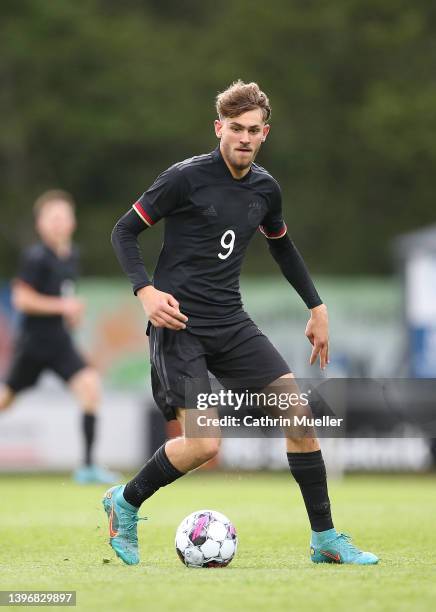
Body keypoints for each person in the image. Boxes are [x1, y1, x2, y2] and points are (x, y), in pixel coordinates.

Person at [105, 81, 378, 565]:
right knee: (205, 444)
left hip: (231, 322)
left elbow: (282, 246)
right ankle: (124, 502)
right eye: (235, 128)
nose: (244, 138)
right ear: (219, 128)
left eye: (253, 130)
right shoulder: (184, 178)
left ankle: (325, 540)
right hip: (179, 326)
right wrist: (145, 291)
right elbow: (124, 230)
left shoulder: (266, 189)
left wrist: (317, 307)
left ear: (264, 133)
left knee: (300, 419)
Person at [0, 190, 118, 484]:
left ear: (72, 222)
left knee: (90, 387)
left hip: (60, 341)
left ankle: (88, 467)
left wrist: (70, 313)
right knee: (6, 399)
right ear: (40, 224)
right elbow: (21, 299)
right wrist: (63, 306)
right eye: (52, 218)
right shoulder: (36, 256)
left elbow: (61, 296)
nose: (58, 223)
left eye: (63, 217)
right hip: (33, 344)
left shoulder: (71, 255)